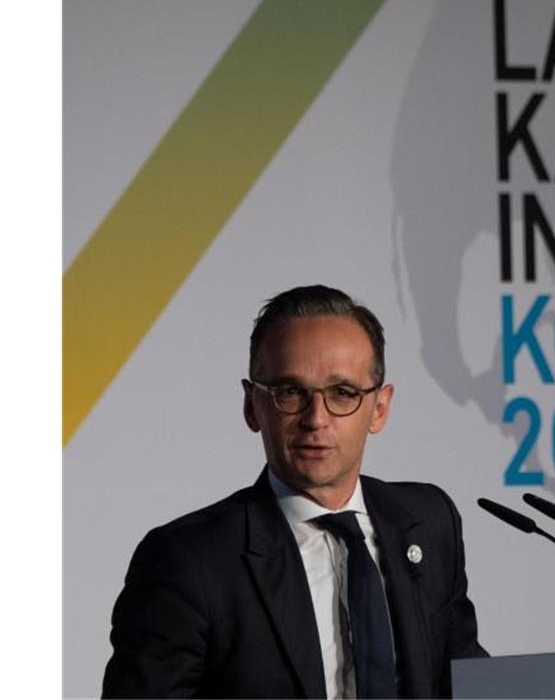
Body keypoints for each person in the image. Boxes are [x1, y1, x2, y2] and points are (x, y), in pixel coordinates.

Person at [103, 285, 486, 698]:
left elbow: (466, 681)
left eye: (343, 393)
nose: (316, 418)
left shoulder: (428, 522)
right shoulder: (189, 562)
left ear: (380, 408)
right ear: (252, 405)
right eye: (290, 392)